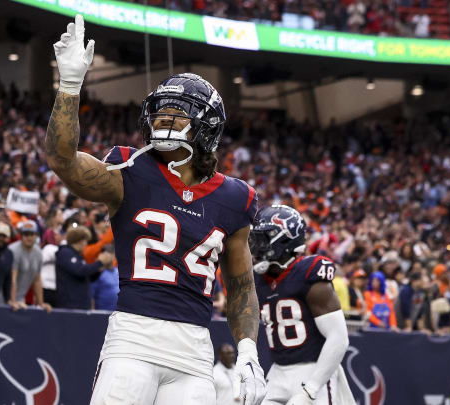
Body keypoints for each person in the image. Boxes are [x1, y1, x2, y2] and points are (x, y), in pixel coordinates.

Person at [48, 15, 264, 404]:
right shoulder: (130, 170)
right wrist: (69, 87)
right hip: (133, 338)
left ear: (207, 126)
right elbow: (64, 161)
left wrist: (248, 349)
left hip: (195, 350)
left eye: (177, 113)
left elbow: (242, 285)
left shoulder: (234, 197)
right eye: (160, 112)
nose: (164, 119)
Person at [249, 205, 353, 405]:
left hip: (314, 370)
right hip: (278, 371)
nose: (256, 245)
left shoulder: (308, 273)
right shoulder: (260, 279)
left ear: (285, 239)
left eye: (264, 238)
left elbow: (338, 338)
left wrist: (311, 389)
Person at [55, 225, 113, 309]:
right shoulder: (65, 253)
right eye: (85, 241)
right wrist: (99, 262)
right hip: (70, 305)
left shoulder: (79, 256)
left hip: (81, 305)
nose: (86, 244)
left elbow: (88, 277)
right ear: (80, 240)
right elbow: (80, 271)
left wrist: (100, 269)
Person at [8, 221, 51, 311]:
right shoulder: (13, 250)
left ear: (36, 236)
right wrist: (13, 301)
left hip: (21, 300)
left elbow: (37, 280)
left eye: (32, 234)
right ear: (21, 236)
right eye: (26, 234)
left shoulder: (38, 253)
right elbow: (12, 279)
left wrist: (40, 303)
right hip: (5, 299)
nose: (29, 237)